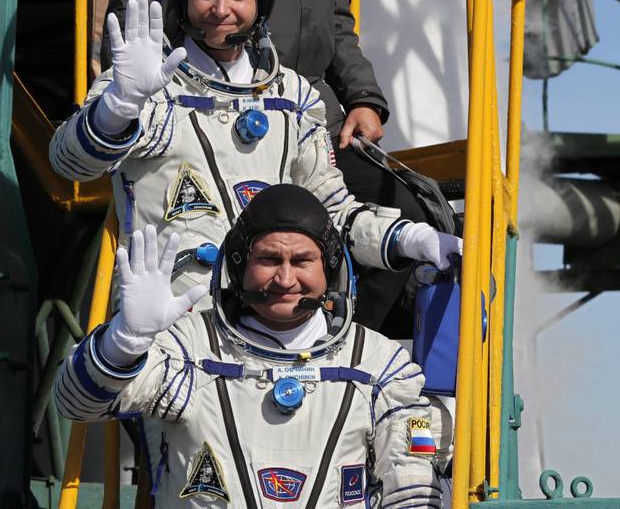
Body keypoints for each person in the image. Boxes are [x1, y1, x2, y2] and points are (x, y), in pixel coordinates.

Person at [49, 0, 460, 310]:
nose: (220, 9)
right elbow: (71, 164)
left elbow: (331, 213)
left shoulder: (294, 97)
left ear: (260, 0)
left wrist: (411, 237)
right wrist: (119, 107)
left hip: (268, 334)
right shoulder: (144, 84)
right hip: (170, 329)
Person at [54, 183, 446, 507]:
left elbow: (410, 488)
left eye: (303, 261)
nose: (286, 278)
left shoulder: (377, 365)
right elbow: (74, 403)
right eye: (270, 258)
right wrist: (126, 341)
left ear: (330, 269)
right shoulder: (192, 350)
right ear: (239, 266)